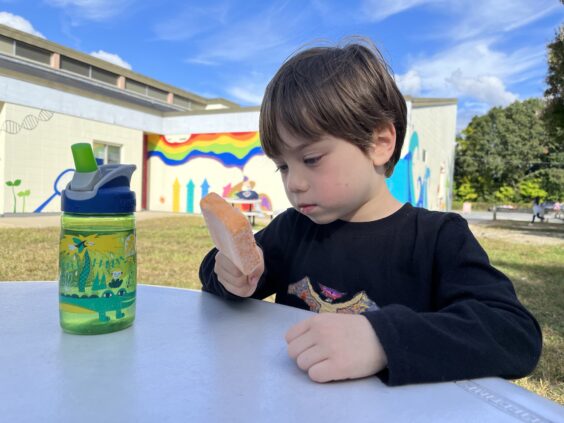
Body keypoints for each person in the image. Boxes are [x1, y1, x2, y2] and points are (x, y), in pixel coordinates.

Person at [199, 38, 542, 386]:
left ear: (380, 143)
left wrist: (382, 340)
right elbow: (220, 277)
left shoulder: (437, 238)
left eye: (311, 159)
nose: (295, 183)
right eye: (283, 167)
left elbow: (514, 334)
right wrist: (229, 274)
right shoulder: (293, 230)